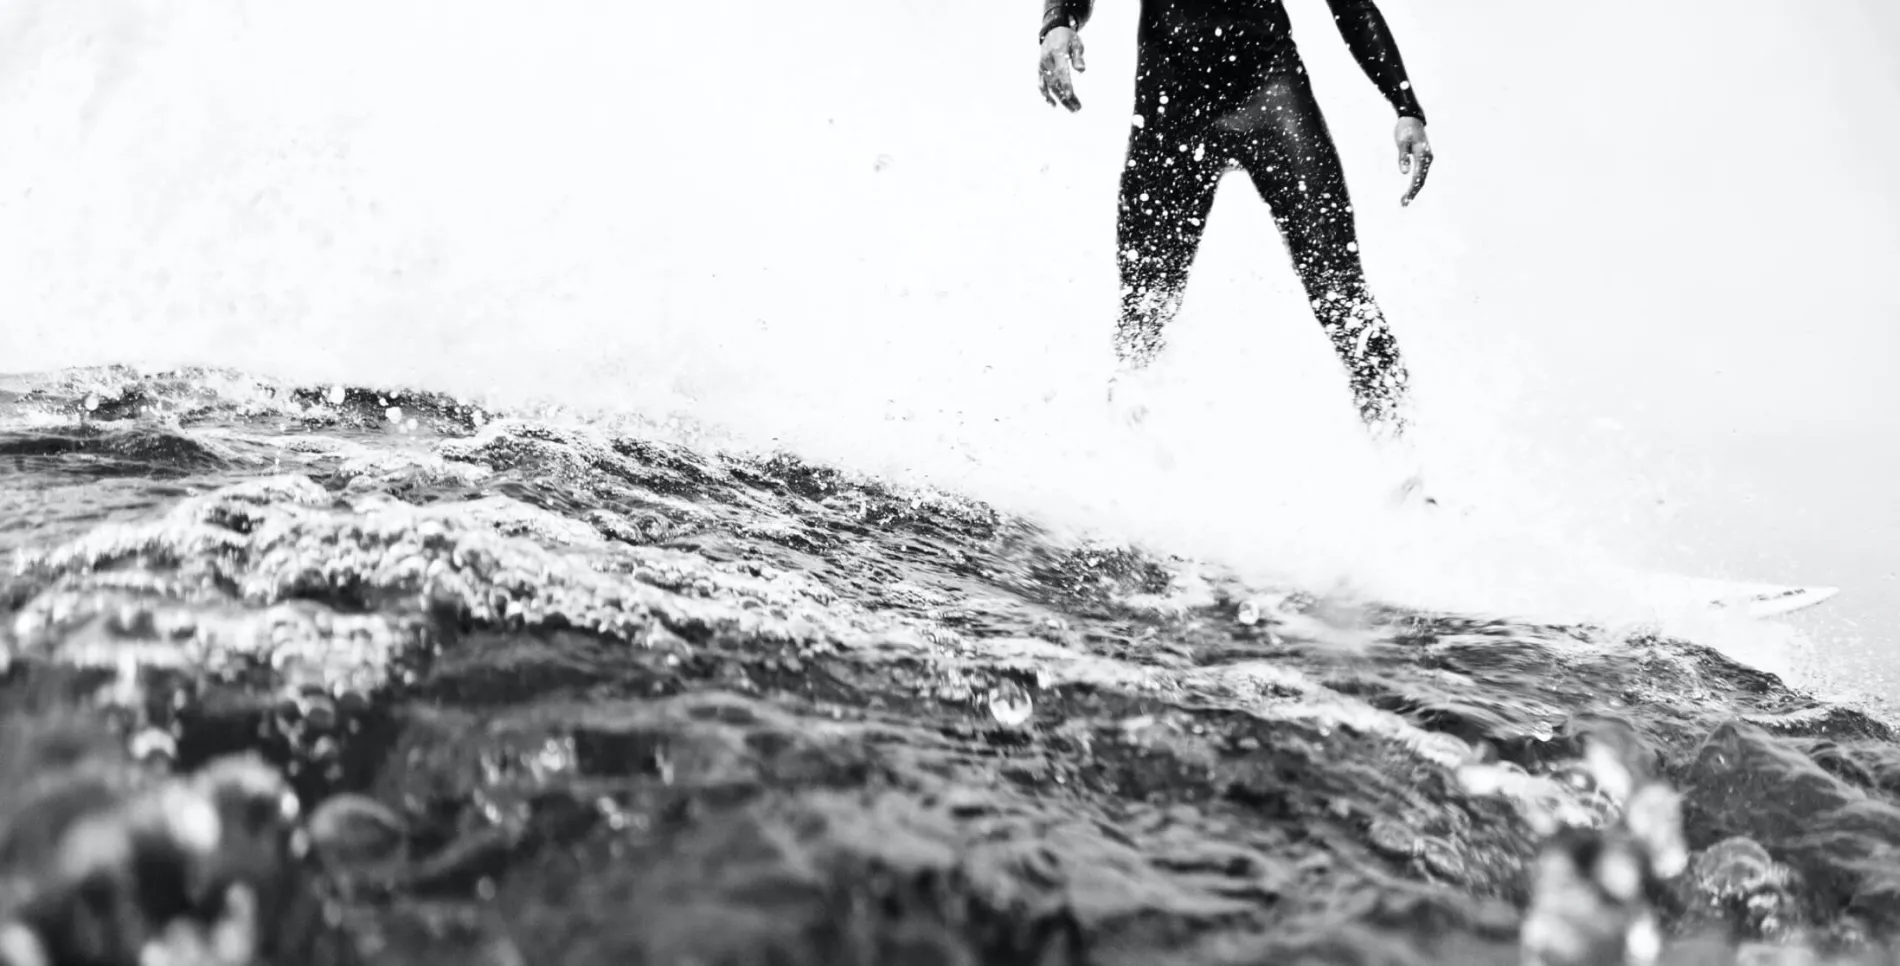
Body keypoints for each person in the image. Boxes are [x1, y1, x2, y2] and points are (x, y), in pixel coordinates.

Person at [1036, 0, 1435, 473]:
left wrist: (1405, 107)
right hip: (1173, 103)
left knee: (1340, 288)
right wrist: (1058, 23)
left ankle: (1404, 466)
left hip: (1269, 93)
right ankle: (1126, 469)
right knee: (1146, 306)